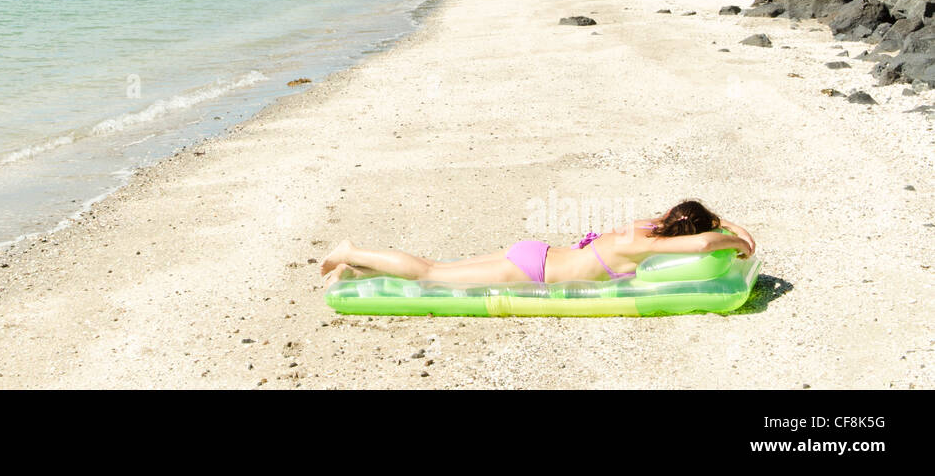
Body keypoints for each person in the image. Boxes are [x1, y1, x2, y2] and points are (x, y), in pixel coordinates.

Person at [320, 199, 754, 288]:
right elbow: (700, 248)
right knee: (432, 274)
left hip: (535, 252)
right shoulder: (648, 247)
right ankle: (350, 251)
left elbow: (688, 224)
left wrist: (724, 221)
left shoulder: (644, 227)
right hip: (533, 270)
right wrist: (732, 238)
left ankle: (357, 270)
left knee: (436, 267)